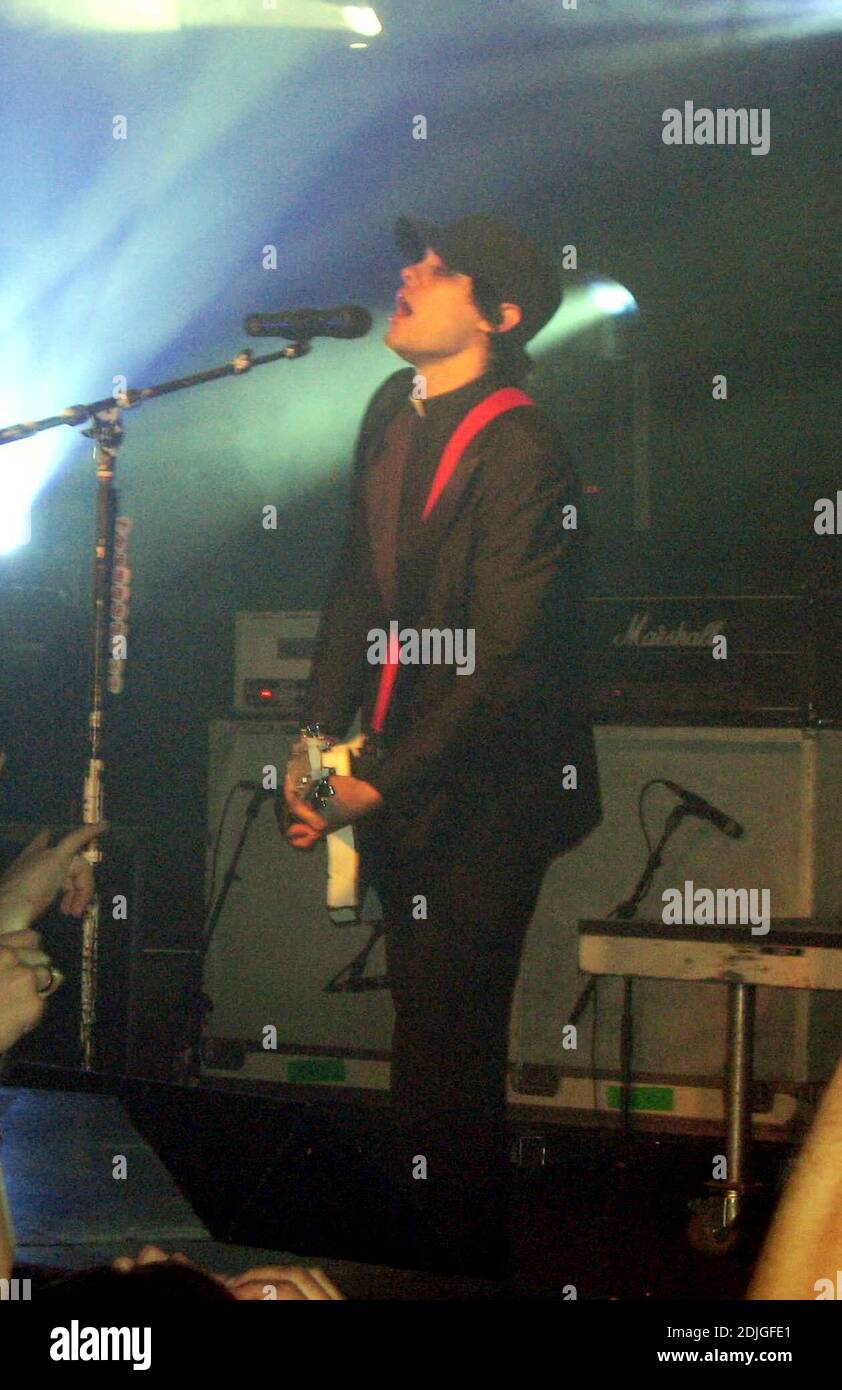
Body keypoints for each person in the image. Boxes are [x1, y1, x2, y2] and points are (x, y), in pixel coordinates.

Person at [281, 213, 602, 1277]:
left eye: (438, 268)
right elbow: (354, 583)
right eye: (412, 260)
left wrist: (378, 780)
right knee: (422, 1035)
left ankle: (454, 1272)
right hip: (401, 766)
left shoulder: (523, 447)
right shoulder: (392, 405)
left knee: (448, 1047)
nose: (408, 273)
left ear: (497, 315)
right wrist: (316, 744)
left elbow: (501, 658)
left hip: (491, 787)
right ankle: (427, 1258)